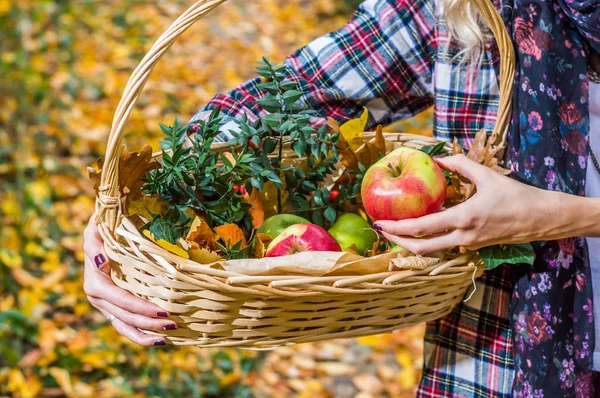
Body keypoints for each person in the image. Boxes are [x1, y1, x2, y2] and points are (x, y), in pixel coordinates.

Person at [82, 0, 600, 395]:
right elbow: (297, 93)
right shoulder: (474, 7)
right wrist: (122, 216)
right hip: (506, 355)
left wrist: (561, 216)